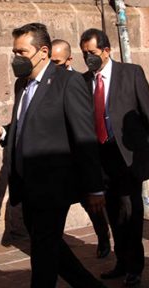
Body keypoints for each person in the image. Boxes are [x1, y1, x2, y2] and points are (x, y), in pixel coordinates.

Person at [0, 23, 107, 288]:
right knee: (48, 246)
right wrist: (3, 132)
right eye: (14, 52)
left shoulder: (68, 82)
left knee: (43, 254)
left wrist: (94, 187)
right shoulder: (22, 84)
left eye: (22, 52)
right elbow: (27, 123)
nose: (16, 58)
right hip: (27, 184)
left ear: (43, 52)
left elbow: (84, 138)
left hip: (54, 185)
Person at [80, 28, 149, 287]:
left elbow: (148, 112)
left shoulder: (131, 73)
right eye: (84, 54)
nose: (88, 58)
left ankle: (135, 266)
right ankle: (121, 261)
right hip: (101, 156)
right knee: (114, 212)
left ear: (106, 50)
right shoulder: (83, 81)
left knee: (131, 213)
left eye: (92, 53)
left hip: (128, 154)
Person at [51, 38, 111, 259]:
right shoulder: (45, 83)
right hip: (59, 161)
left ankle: (103, 237)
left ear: (69, 60)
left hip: (80, 158)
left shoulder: (79, 81)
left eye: (57, 62)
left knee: (92, 206)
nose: (52, 67)